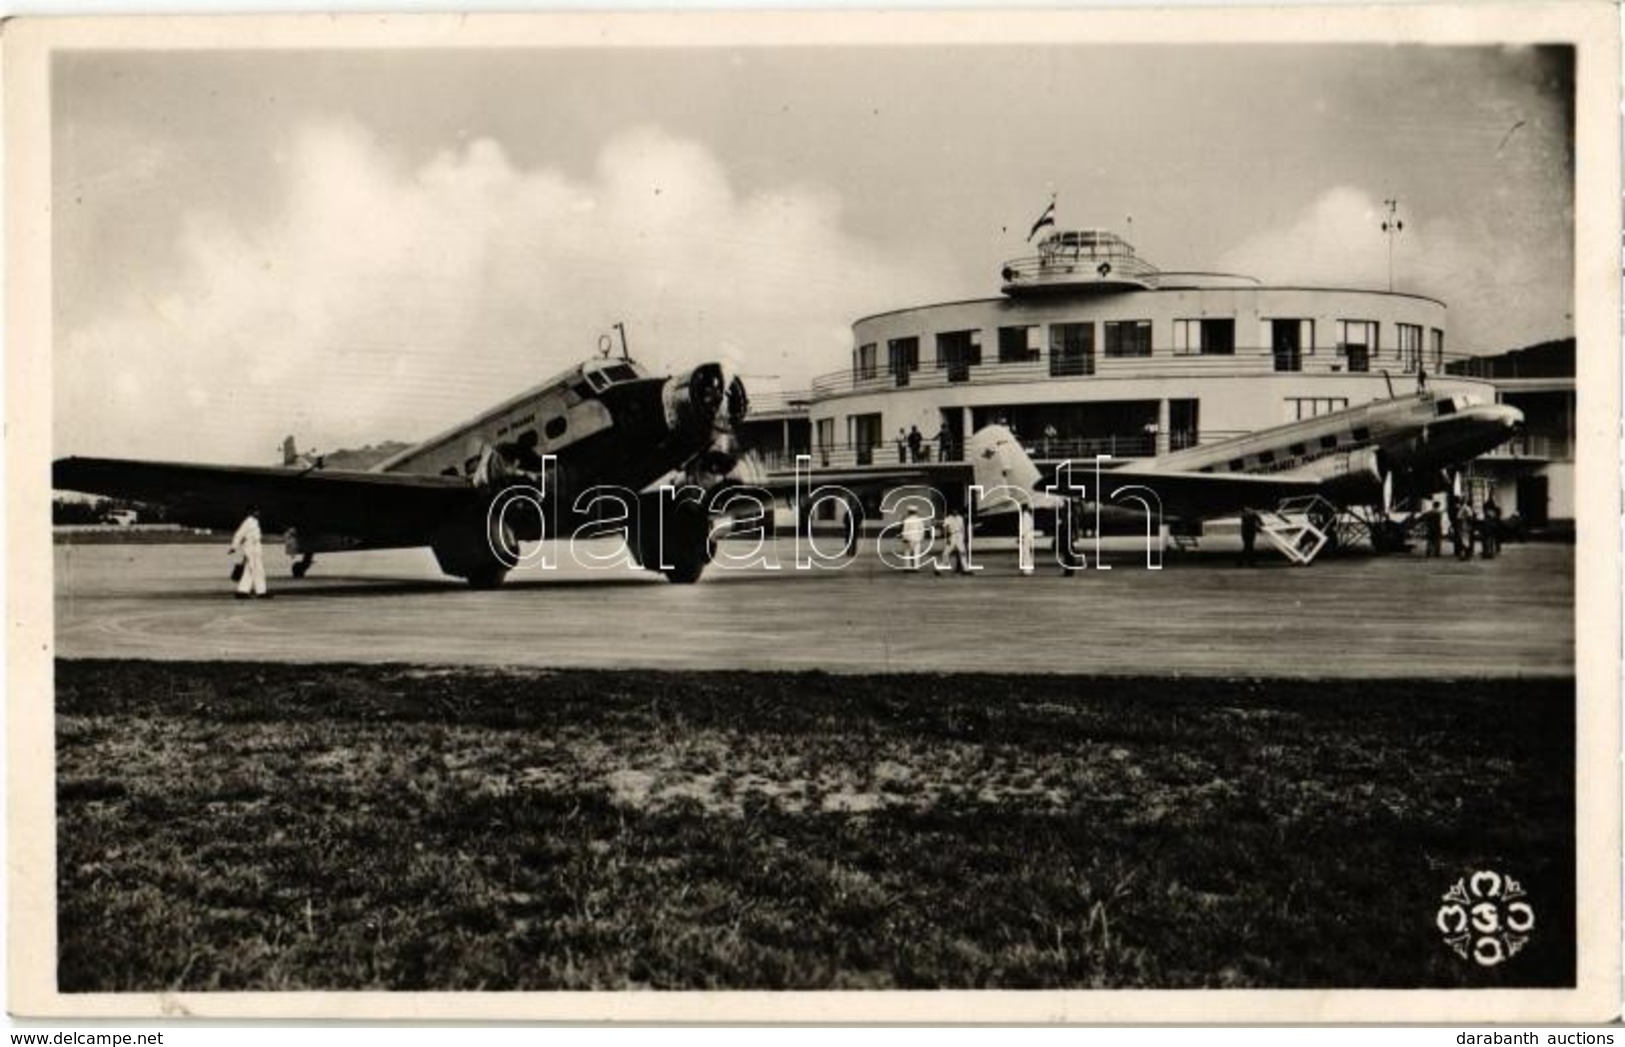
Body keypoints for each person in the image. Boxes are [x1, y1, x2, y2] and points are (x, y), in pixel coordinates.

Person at [229, 505, 270, 599]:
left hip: (256, 549)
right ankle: (260, 592)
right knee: (257, 570)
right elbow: (239, 534)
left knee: (251, 571)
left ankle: (243, 592)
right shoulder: (248, 522)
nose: (258, 513)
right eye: (256, 511)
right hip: (251, 548)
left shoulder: (255, 522)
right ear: (251, 512)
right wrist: (234, 547)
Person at [934, 506, 969, 575]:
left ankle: (966, 569)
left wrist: (964, 537)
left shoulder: (960, 518)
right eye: (954, 510)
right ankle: (939, 568)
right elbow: (945, 528)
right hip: (952, 536)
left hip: (959, 536)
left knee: (963, 552)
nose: (955, 512)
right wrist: (947, 538)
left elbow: (962, 529)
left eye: (956, 510)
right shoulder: (948, 519)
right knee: (946, 553)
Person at [899, 506, 927, 570]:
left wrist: (904, 538)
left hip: (908, 538)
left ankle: (907, 567)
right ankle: (916, 567)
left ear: (909, 512)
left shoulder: (907, 520)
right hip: (917, 539)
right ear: (916, 512)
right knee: (916, 553)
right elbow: (922, 530)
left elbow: (905, 530)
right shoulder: (919, 520)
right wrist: (921, 538)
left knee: (907, 552)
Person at [1481, 495, 1501, 560]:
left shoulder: (1487, 512)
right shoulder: (1495, 511)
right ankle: (1490, 553)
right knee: (1491, 541)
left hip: (1487, 528)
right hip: (1492, 528)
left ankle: (1487, 553)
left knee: (1486, 541)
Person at [1017, 503, 1035, 575]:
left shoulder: (1025, 516)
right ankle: (1027, 570)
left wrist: (1021, 536)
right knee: (1027, 553)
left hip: (1026, 537)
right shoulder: (1027, 516)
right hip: (1028, 536)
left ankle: (1026, 570)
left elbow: (1024, 528)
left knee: (1025, 553)